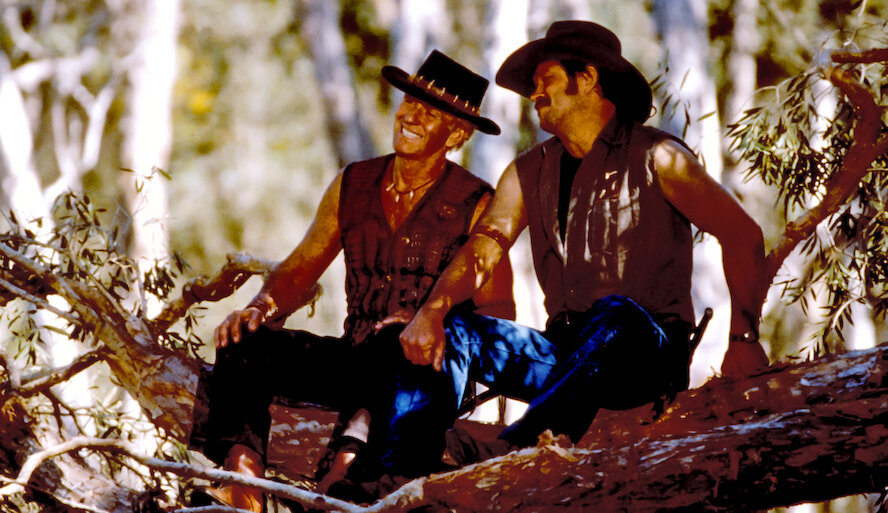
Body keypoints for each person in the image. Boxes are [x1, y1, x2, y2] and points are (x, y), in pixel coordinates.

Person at [398, 20, 769, 463]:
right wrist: (433, 310)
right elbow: (484, 246)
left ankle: (516, 449)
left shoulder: (658, 156)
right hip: (564, 356)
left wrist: (744, 339)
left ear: (588, 79)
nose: (535, 94)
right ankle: (405, 460)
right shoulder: (527, 171)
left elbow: (743, 234)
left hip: (644, 360)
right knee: (452, 329)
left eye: (546, 80)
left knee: (617, 316)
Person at [198, 50, 514, 511]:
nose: (410, 116)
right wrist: (260, 306)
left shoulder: (477, 203)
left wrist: (436, 321)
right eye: (409, 103)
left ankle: (338, 482)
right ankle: (244, 486)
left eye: (430, 113)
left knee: (394, 345)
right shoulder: (354, 182)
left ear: (457, 134)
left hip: (421, 375)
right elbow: (300, 267)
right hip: (354, 357)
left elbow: (500, 315)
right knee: (244, 339)